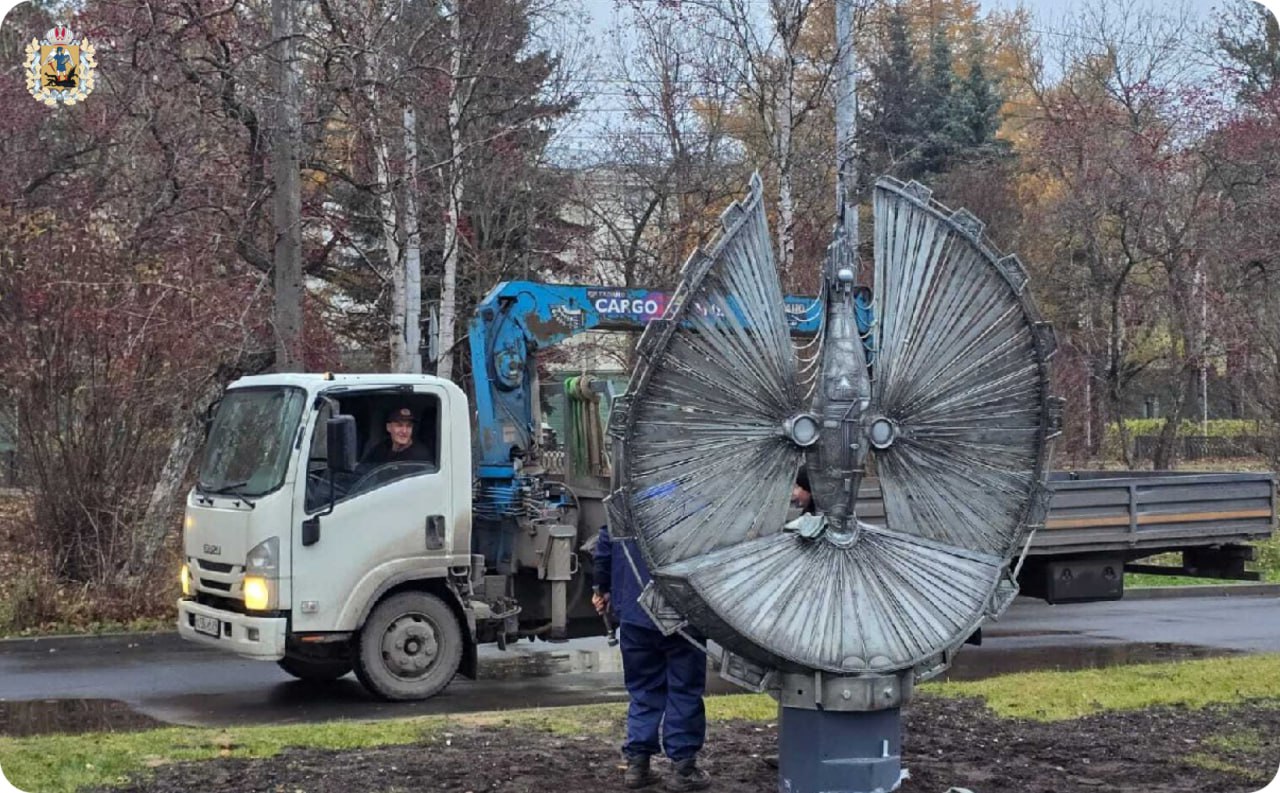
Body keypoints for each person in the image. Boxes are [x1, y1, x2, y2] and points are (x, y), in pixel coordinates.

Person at [594, 525, 711, 791]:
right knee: (684, 690)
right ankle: (683, 768)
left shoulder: (624, 509)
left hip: (635, 618)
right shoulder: (692, 507)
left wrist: (601, 589)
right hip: (683, 616)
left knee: (644, 690)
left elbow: (603, 549)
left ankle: (637, 765)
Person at [360, 406, 433, 465]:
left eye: (408, 426)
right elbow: (364, 469)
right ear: (388, 427)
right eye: (399, 425)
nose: (404, 431)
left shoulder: (420, 456)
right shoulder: (381, 448)